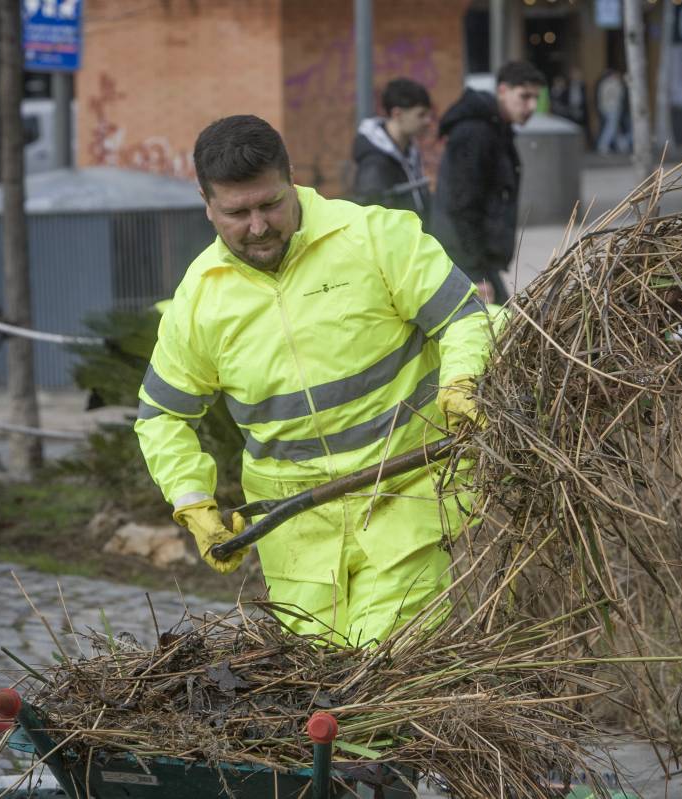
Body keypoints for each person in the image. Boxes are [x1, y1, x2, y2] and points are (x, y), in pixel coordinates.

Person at [135, 115, 493, 646]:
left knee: (379, 666)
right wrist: (194, 504)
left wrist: (462, 380)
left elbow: (464, 316)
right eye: (237, 213)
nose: (258, 226)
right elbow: (163, 417)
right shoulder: (199, 302)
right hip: (296, 534)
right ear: (207, 205)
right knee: (320, 688)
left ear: (293, 179)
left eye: (270, 204)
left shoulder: (375, 238)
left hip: (407, 498)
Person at [430, 61, 544, 305]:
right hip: (464, 260)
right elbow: (461, 205)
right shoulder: (476, 133)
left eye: (536, 98)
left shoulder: (497, 130)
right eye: (524, 96)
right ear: (502, 90)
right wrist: (476, 273)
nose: (532, 106)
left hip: (475, 259)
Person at [350, 77, 433, 222]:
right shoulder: (374, 162)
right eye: (421, 114)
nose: (428, 121)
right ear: (397, 114)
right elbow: (374, 220)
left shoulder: (409, 152)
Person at [595, 69, 629, 155]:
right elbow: (619, 95)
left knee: (615, 128)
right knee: (611, 127)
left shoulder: (605, 83)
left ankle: (622, 146)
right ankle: (602, 145)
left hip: (609, 108)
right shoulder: (613, 83)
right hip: (612, 108)